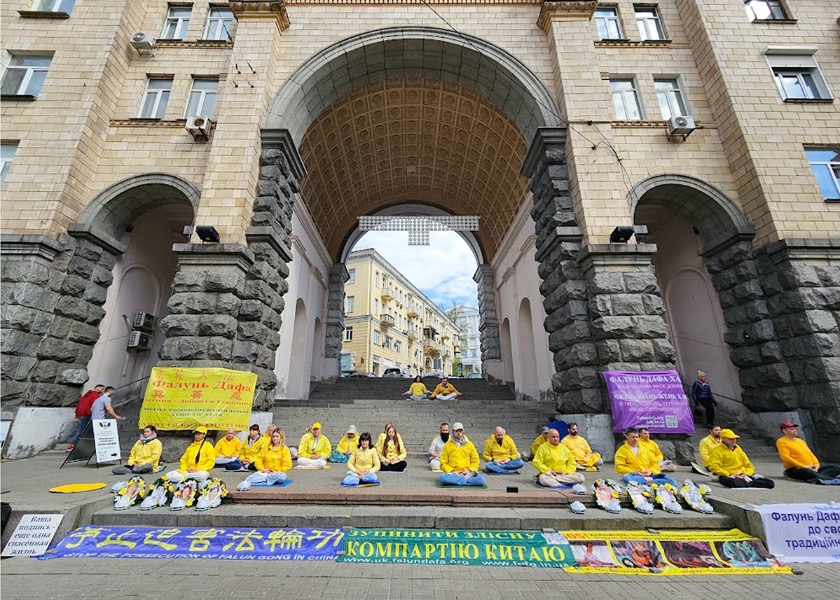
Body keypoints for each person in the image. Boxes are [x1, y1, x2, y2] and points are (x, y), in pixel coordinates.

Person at [776, 421, 840, 483]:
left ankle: (819, 476)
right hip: (795, 469)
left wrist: (816, 465)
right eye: (791, 429)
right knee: (808, 472)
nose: (795, 430)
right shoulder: (781, 441)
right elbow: (786, 457)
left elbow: (810, 454)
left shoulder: (801, 441)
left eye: (795, 429)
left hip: (811, 467)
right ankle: (828, 478)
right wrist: (803, 466)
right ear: (784, 431)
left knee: (835, 467)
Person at [708, 429, 775, 488]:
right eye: (730, 439)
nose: (733, 440)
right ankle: (751, 482)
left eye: (734, 438)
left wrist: (747, 473)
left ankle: (748, 482)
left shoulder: (738, 449)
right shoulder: (716, 451)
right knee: (730, 482)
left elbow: (748, 464)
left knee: (770, 483)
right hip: (729, 476)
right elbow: (714, 467)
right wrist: (729, 474)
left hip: (743, 475)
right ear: (723, 439)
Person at [67, 383, 104, 451]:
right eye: (102, 388)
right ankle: (73, 445)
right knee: (82, 430)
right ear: (98, 388)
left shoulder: (87, 394)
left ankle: (73, 444)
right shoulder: (95, 395)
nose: (102, 390)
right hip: (87, 414)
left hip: (81, 413)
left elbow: (80, 403)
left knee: (80, 429)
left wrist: (77, 413)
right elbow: (94, 405)